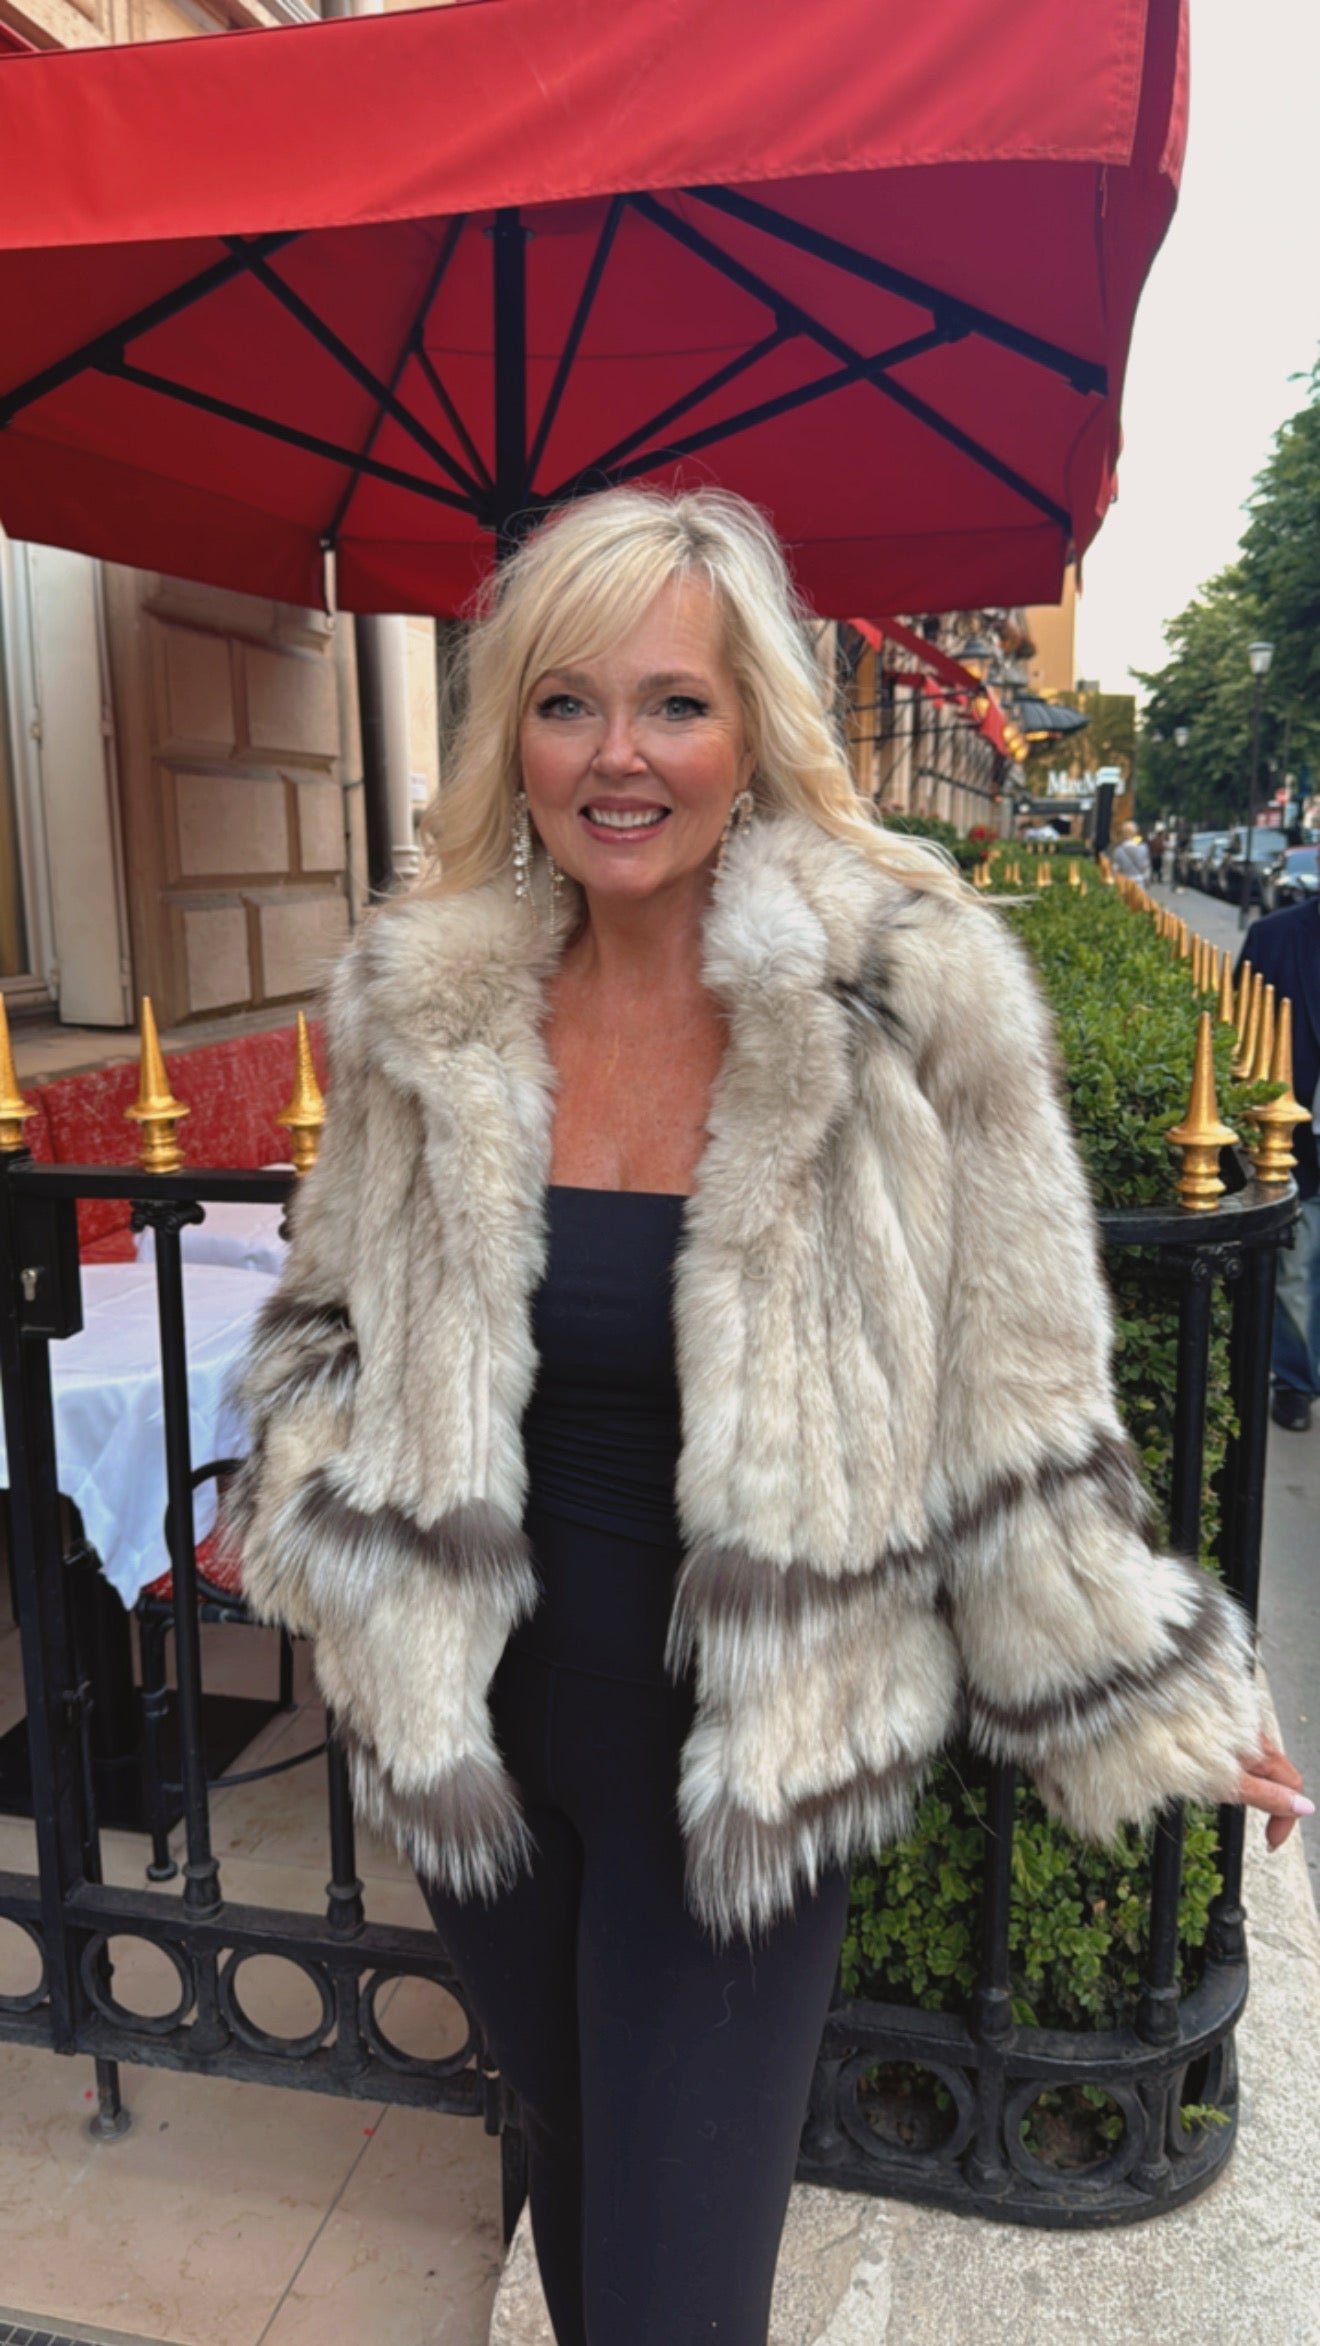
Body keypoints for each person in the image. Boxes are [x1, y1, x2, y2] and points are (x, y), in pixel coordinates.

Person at [227, 488, 1308, 2346]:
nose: (618, 754)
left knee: (673, 2299)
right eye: (565, 703)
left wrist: (1142, 1671)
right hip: (474, 1734)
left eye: (675, 702)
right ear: (512, 738)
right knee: (586, 2224)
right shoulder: (432, 1002)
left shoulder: (897, 988)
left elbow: (1017, 1381)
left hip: (743, 1757)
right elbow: (333, 1314)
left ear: (754, 731)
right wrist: (311, 1519)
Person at [1235, 844, 1320, 1432]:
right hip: (1297, 1137)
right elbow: (1238, 1040)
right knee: (1295, 1270)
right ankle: (1294, 1381)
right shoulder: (1275, 937)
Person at [1110, 817, 1152, 883]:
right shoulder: (1143, 848)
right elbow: (1145, 867)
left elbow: (1115, 869)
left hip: (1124, 882)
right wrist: (1147, 880)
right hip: (1139, 882)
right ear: (1135, 833)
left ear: (1123, 833)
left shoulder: (1119, 850)